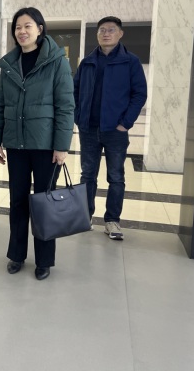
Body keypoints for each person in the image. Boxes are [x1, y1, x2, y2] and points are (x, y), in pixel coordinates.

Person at [0, 7, 74, 281]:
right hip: (16, 145)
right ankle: (16, 254)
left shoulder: (57, 62)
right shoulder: (9, 64)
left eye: (27, 26)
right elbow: (0, 105)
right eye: (17, 27)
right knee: (17, 201)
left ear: (39, 28)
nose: (22, 31)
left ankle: (44, 260)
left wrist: (62, 145)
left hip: (46, 146)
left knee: (44, 202)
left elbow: (65, 106)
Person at [74, 16, 147, 240]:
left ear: (120, 34)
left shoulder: (130, 61)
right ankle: (85, 217)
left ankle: (112, 220)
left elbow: (139, 94)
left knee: (116, 176)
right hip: (88, 128)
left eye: (111, 30)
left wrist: (125, 123)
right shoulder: (87, 61)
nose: (106, 33)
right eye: (102, 30)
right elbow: (74, 91)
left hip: (115, 131)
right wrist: (78, 117)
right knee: (87, 175)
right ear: (97, 34)